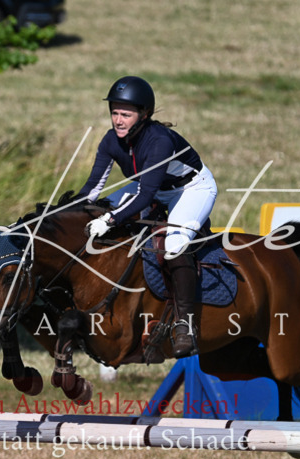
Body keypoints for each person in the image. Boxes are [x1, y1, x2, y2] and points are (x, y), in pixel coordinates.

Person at [79, 76, 217, 358]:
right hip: (153, 187)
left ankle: (184, 326)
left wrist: (108, 221)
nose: (118, 120)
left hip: (190, 188)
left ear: (144, 114)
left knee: (174, 245)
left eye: (125, 114)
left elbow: (144, 197)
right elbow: (93, 189)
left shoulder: (159, 141)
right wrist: (63, 213)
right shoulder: (110, 140)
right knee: (101, 207)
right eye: (115, 113)